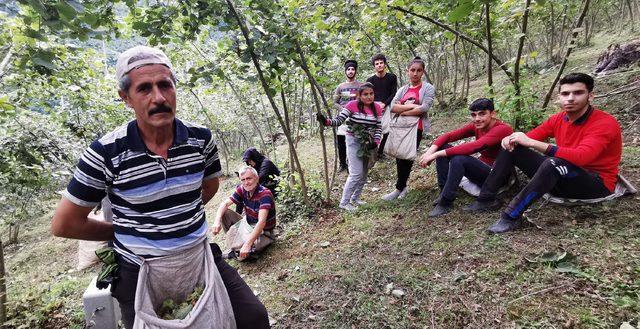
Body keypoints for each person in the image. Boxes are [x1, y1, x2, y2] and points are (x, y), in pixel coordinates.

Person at [50, 46, 269, 329]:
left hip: (198, 257)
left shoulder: (200, 140)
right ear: (125, 98)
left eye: (165, 84)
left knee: (252, 317)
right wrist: (127, 229)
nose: (159, 97)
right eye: (144, 89)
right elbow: (64, 223)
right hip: (138, 269)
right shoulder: (105, 153)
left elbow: (209, 186)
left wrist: (175, 216)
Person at [465, 73, 622, 234]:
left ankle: (510, 217)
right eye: (565, 93)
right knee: (512, 148)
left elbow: (582, 157)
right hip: (562, 174)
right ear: (559, 96)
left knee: (552, 162)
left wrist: (532, 143)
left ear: (591, 96)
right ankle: (486, 199)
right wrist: (511, 139)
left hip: (595, 183)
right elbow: (530, 136)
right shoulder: (559, 118)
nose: (570, 98)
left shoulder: (605, 123)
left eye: (578, 93)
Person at [418, 98, 513, 217]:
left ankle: (446, 202)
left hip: (498, 176)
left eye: (482, 114)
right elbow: (448, 136)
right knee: (443, 146)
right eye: (473, 115)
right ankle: (443, 192)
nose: (477, 119)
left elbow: (474, 147)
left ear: (493, 114)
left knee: (459, 158)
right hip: (483, 170)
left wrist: (436, 154)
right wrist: (429, 152)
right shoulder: (477, 126)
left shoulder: (503, 129)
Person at [318, 82, 383, 211]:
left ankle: (355, 199)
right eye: (365, 94)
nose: (369, 97)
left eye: (371, 94)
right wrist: (326, 121)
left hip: (368, 142)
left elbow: (378, 128)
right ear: (359, 95)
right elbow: (339, 120)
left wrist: (375, 142)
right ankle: (344, 202)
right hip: (353, 140)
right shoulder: (352, 105)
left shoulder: (377, 107)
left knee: (364, 174)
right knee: (356, 173)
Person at [382, 57, 436, 201]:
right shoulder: (403, 89)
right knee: (399, 156)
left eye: (419, 70)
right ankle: (401, 187)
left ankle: (399, 188)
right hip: (400, 126)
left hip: (416, 127)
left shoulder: (428, 88)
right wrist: (412, 106)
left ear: (423, 72)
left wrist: (404, 110)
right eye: (412, 70)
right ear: (407, 71)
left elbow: (424, 108)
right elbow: (392, 107)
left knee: (407, 156)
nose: (415, 73)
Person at [212, 166, 276, 259]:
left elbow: (261, 222)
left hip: (264, 231)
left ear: (257, 178)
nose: (246, 182)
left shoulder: (264, 194)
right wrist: (216, 222)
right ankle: (238, 246)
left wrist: (247, 244)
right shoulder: (242, 189)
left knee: (251, 248)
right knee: (225, 213)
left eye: (249, 178)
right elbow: (225, 204)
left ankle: (240, 248)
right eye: (243, 180)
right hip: (248, 223)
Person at [333, 59, 363, 173]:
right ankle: (342, 164)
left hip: (356, 117)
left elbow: (363, 101)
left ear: (355, 71)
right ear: (345, 71)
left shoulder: (360, 85)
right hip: (342, 118)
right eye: (348, 69)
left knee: (354, 140)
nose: (350, 71)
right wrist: (344, 110)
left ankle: (353, 163)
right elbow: (335, 103)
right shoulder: (340, 87)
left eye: (352, 69)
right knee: (341, 141)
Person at [366, 53, 398, 160]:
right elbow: (368, 95)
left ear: (385, 64)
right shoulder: (370, 80)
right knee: (373, 131)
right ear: (374, 66)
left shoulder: (392, 77)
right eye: (377, 64)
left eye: (381, 63)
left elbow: (393, 93)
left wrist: (384, 104)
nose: (379, 65)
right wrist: (376, 104)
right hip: (373, 107)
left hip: (387, 105)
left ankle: (380, 152)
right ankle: (372, 153)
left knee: (387, 130)